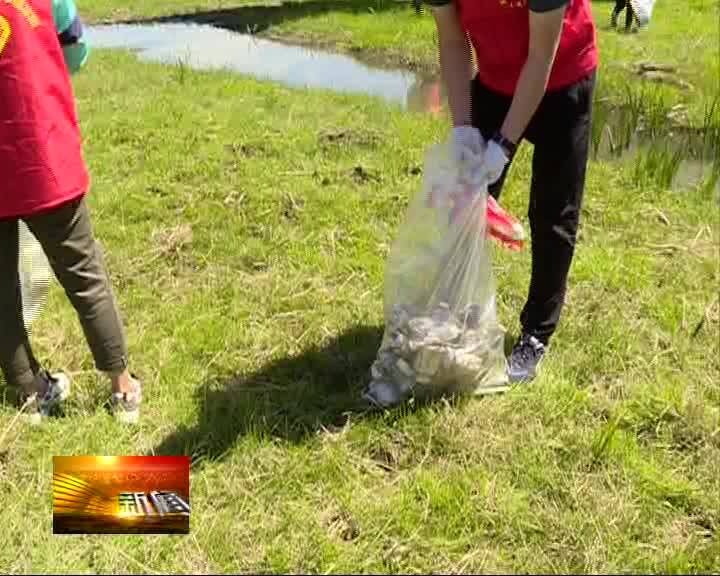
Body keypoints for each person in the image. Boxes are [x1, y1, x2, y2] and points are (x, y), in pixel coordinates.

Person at [425, 0, 598, 383]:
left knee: (553, 213)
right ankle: (458, 312)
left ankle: (537, 333)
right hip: (494, 81)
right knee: (467, 201)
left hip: (562, 76)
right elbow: (453, 40)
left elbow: (541, 56)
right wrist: (464, 129)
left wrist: (502, 145)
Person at [0, 0, 142, 424]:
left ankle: (29, 390)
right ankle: (122, 388)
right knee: (83, 272)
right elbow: (76, 52)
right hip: (45, 159)